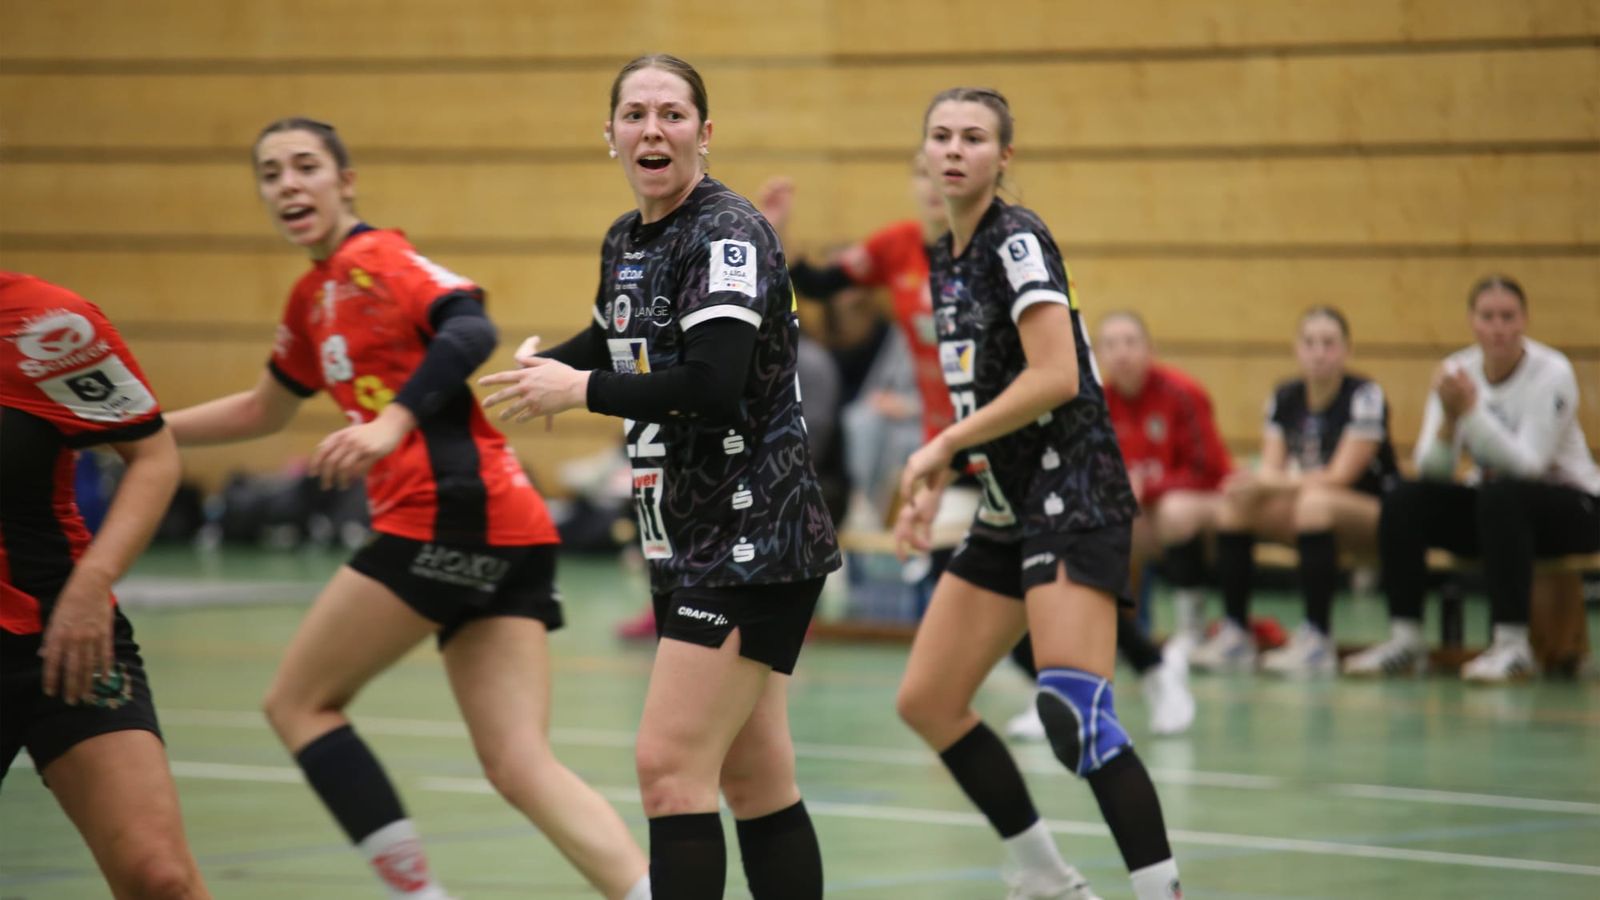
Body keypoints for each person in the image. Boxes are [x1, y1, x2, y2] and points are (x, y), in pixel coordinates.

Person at [164, 119, 649, 900]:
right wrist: (138, 431)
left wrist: (391, 423)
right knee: (518, 763)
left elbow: (471, 324)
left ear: (346, 181)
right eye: (271, 174)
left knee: (298, 704)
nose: (289, 184)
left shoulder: (379, 261)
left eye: (306, 166)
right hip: (509, 524)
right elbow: (263, 410)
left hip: (448, 513)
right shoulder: (312, 298)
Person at [478, 55, 841, 900]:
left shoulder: (726, 233)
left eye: (672, 114)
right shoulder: (628, 239)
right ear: (609, 134)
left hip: (751, 536)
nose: (653, 129)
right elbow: (614, 341)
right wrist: (539, 373)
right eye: (635, 114)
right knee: (754, 779)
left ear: (703, 134)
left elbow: (712, 384)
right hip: (685, 532)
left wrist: (579, 390)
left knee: (669, 770)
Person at [892, 87, 1180, 900]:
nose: (955, 150)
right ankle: (1047, 877)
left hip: (1073, 490)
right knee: (929, 700)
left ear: (1003, 156)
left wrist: (945, 444)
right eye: (941, 136)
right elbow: (983, 393)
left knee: (1073, 714)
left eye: (973, 137)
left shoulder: (1016, 238)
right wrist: (944, 474)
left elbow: (1056, 376)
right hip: (1006, 503)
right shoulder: (944, 257)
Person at [1, 272, 210, 898]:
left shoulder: (45, 324)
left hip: (62, 634)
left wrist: (93, 583)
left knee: (159, 877)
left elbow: (153, 455)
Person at [1344, 276, 1600, 681]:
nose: (1498, 328)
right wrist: (1448, 422)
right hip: (1498, 515)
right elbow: (1433, 470)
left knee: (1503, 494)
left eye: (1508, 317)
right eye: (1488, 317)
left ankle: (1512, 646)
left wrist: (1469, 411)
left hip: (1576, 510)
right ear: (1472, 321)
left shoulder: (1552, 372)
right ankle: (1406, 639)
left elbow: (1529, 466)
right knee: (1404, 498)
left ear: (1524, 320)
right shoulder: (1456, 371)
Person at [1188, 307, 1398, 677]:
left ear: (1347, 350)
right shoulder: (1285, 396)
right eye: (1310, 343)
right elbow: (1271, 468)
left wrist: (1271, 481)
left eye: (1329, 344)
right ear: (1296, 349)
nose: (1319, 353)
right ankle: (1236, 633)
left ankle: (1318, 639)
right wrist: (1253, 485)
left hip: (1376, 513)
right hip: (1308, 508)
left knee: (1314, 503)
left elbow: (1340, 476)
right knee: (1235, 505)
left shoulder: (1364, 395)